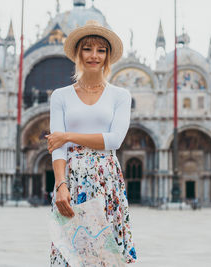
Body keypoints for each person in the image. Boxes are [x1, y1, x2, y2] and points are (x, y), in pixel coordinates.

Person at [46, 20, 137, 265]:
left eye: (101, 50)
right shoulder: (60, 96)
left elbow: (114, 140)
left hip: (106, 177)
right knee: (71, 252)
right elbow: (57, 148)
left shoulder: (120, 95)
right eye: (87, 48)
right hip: (72, 179)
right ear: (78, 53)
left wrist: (67, 135)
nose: (94, 55)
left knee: (106, 254)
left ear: (107, 56)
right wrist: (60, 185)